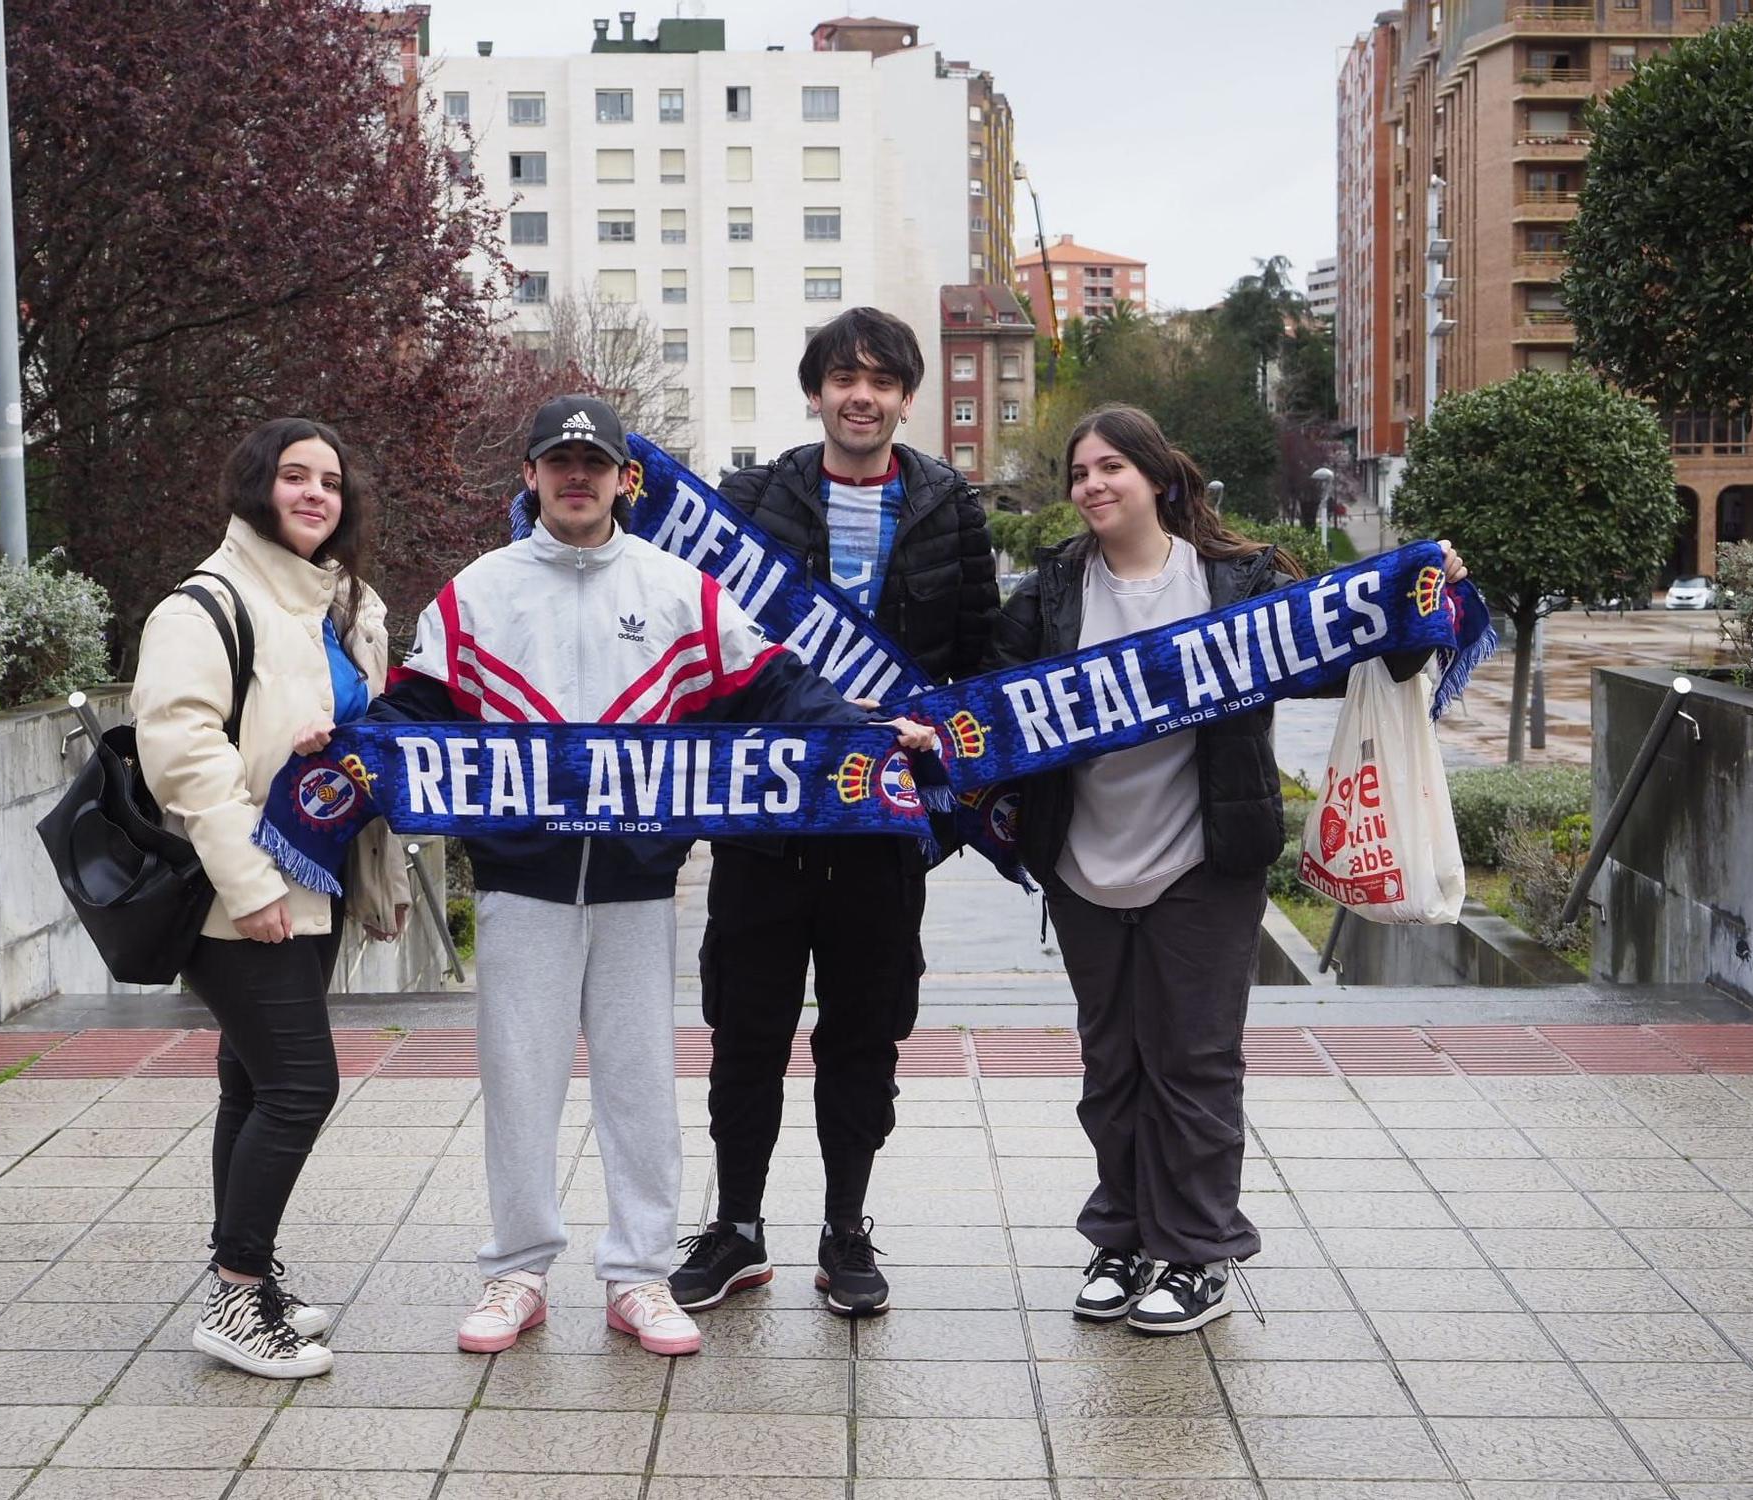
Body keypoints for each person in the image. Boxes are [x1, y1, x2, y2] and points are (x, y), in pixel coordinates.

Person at [351, 395, 939, 1357]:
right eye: (557, 462)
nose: (575, 477)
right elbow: (417, 706)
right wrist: (343, 748)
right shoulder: (477, 593)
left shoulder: (682, 590)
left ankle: (639, 1276)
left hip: (638, 879)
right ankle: (517, 1272)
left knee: (639, 1083)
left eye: (594, 463)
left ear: (628, 478)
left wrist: (873, 734)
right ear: (531, 477)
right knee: (518, 1077)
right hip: (520, 879)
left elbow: (776, 688)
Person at [987, 404, 1467, 1334]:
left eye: (1112, 467)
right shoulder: (1051, 589)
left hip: (1204, 860)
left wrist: (1422, 588)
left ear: (1159, 478)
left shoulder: (1240, 581)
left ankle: (1197, 1253)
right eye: (1079, 471)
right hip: (1083, 863)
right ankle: (1121, 1238)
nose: (1092, 485)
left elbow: (1358, 650)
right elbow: (988, 692)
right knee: (1112, 1064)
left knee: (1194, 1061)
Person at [672, 307, 1000, 1319]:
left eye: (880, 380)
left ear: (906, 397)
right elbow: (694, 642)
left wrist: (940, 736)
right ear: (813, 392)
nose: (860, 395)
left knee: (864, 1035)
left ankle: (845, 1229)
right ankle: (734, 1228)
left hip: (881, 830)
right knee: (745, 1031)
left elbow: (983, 659)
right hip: (764, 824)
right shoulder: (748, 502)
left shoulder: (951, 507)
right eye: (841, 377)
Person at [131, 418, 410, 1379]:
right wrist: (246, 884)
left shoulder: (335, 604)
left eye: (331, 481)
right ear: (256, 486)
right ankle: (238, 1298)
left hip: (313, 880)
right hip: (240, 895)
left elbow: (355, 750)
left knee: (252, 1084)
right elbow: (183, 754)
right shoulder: (204, 605)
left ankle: (246, 1274)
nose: (316, 495)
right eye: (295, 477)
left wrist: (383, 877)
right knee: (302, 1085)